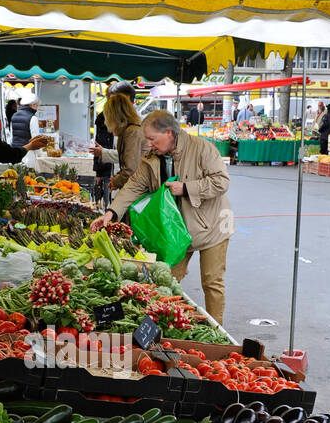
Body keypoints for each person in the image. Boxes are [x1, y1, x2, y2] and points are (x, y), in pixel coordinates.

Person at [94, 109, 234, 321]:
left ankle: (218, 329)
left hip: (210, 227)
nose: (149, 144)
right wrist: (111, 213)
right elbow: (134, 186)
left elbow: (221, 181)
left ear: (169, 132)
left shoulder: (202, 148)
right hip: (173, 232)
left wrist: (186, 188)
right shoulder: (151, 158)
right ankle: (170, 323)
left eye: (152, 138)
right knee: (166, 279)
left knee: (211, 282)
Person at [92, 91, 144, 207]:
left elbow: (131, 169)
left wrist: (115, 181)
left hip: (138, 194)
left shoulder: (131, 132)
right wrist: (116, 179)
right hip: (135, 191)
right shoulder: (126, 131)